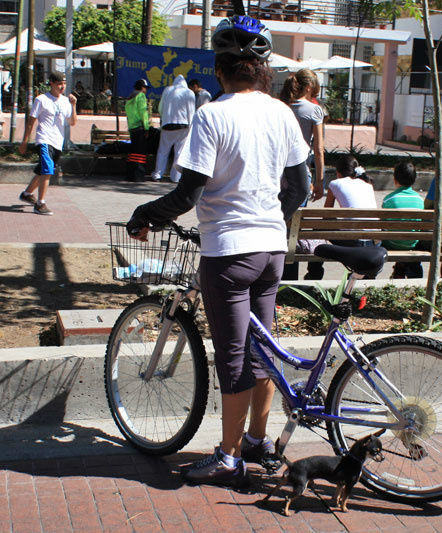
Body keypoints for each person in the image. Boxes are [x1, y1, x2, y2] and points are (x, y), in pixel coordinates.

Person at [126, 15, 309, 487]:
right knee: (263, 349)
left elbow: (187, 194)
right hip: (271, 250)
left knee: (232, 356)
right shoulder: (281, 113)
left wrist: (146, 213)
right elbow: (300, 185)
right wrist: (269, 217)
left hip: (229, 253)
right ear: (264, 70)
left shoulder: (212, 114)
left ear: (220, 69)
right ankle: (257, 441)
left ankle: (228, 456)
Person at [279, 68, 325, 281]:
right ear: (308, 87)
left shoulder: (283, 108)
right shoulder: (314, 111)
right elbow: (319, 149)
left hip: (278, 175)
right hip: (301, 174)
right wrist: (320, 180)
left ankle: (274, 272)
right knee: (294, 228)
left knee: (279, 222)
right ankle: (290, 277)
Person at [18, 71, 77, 216]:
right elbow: (31, 122)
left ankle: (26, 194)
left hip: (58, 142)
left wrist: (74, 105)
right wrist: (25, 141)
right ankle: (40, 203)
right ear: (51, 83)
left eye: (64, 84)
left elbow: (72, 122)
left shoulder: (65, 101)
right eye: (59, 84)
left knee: (42, 171)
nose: (62, 87)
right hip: (44, 139)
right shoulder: (41, 100)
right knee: (48, 170)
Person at [382, 162, 425, 279]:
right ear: (414, 180)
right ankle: (404, 270)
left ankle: (400, 269)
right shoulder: (419, 200)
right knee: (408, 242)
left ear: (395, 179)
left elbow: (383, 224)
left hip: (392, 244)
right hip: (412, 244)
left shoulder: (389, 199)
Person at [153, 75, 195, 183]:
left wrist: (163, 119)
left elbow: (160, 107)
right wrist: (191, 126)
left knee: (163, 151)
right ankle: (176, 177)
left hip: (167, 125)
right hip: (183, 126)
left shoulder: (167, 90)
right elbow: (191, 111)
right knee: (180, 152)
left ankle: (158, 174)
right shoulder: (189, 93)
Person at [124, 78, 150, 182]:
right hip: (140, 127)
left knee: (133, 151)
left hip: (132, 128)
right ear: (142, 87)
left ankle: (131, 174)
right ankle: (138, 174)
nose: (146, 90)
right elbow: (143, 113)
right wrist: (147, 128)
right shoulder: (141, 96)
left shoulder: (130, 97)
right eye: (145, 88)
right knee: (140, 152)